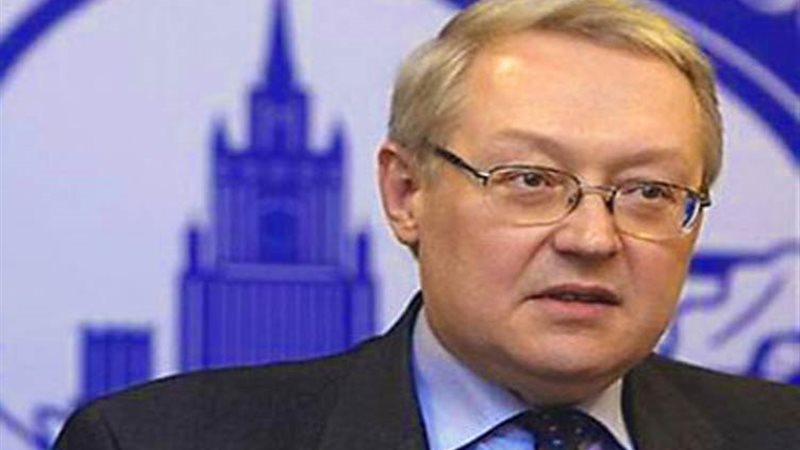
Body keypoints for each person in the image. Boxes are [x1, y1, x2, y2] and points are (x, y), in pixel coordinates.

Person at [55, 0, 799, 449]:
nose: (592, 238)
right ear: (406, 193)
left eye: (649, 192)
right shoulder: (155, 440)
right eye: (530, 180)